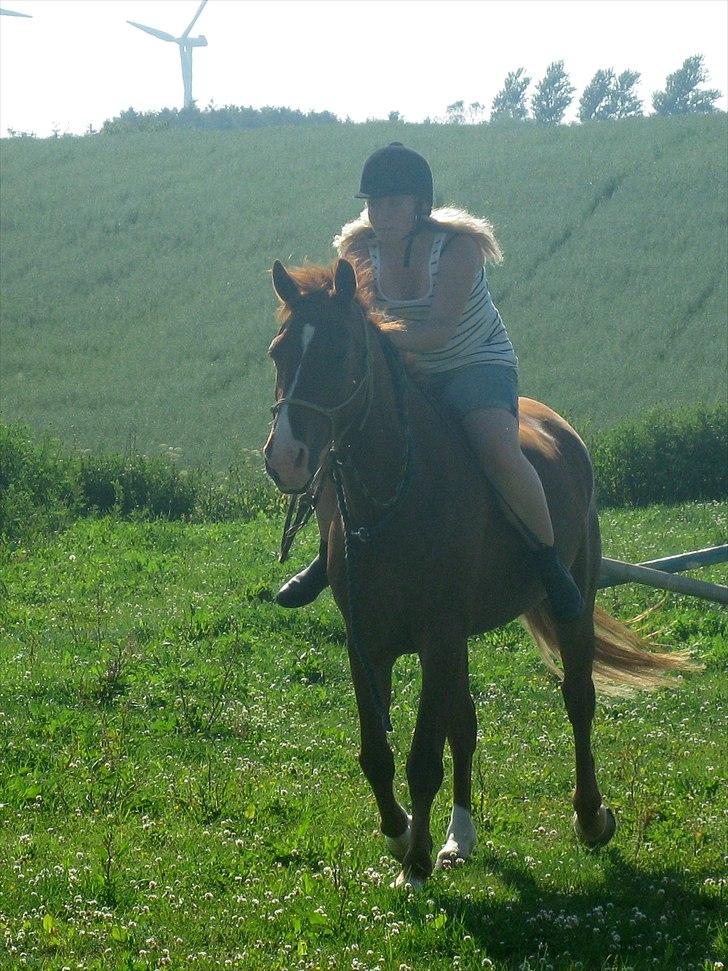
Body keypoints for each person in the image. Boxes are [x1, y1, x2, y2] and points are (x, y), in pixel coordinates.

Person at [276, 142, 583, 622]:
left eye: (394, 202)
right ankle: (327, 554)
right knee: (341, 448)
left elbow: (439, 331)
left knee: (497, 449)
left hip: (473, 365)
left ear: (421, 204)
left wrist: (376, 348)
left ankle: (548, 564)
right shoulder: (357, 251)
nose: (382, 212)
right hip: (406, 369)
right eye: (374, 203)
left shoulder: (459, 247)